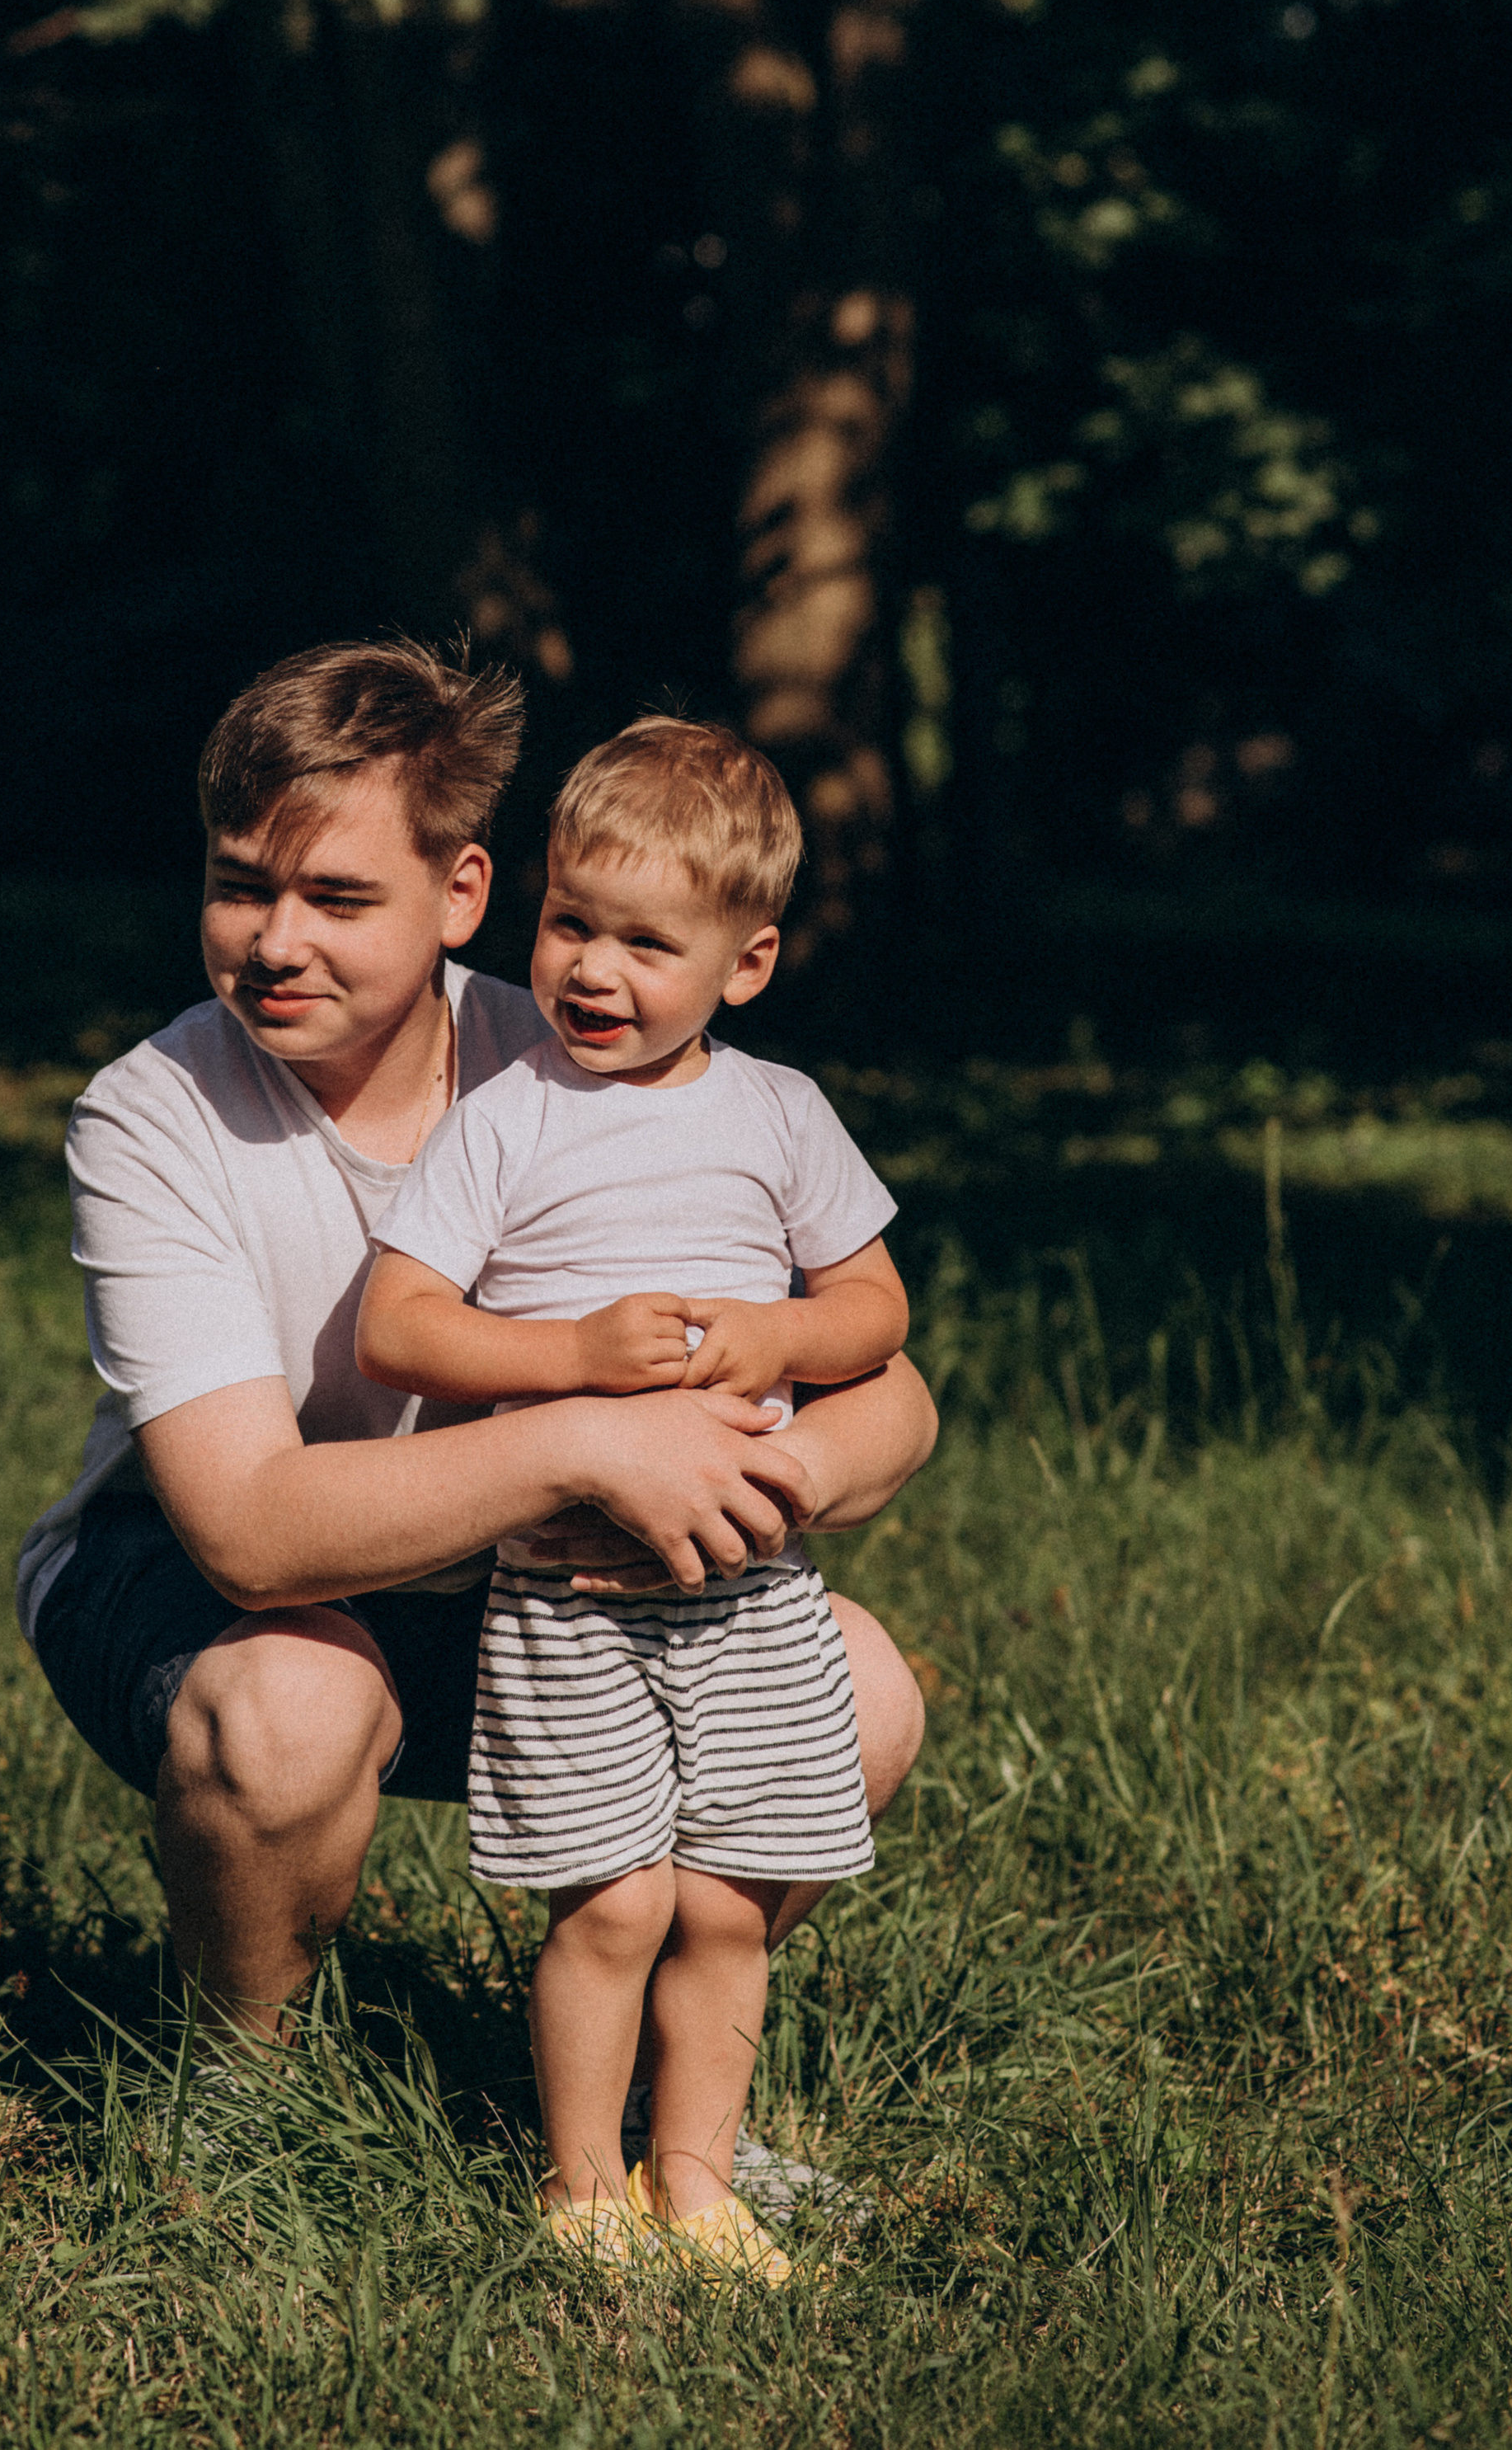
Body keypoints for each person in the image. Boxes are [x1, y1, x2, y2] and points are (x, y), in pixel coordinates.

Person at [18, 642, 934, 2156]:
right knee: (299, 1707)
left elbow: (892, 1396)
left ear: (460, 895)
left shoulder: (591, 1055)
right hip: (198, 1581)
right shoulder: (155, 1114)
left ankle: (674, 2109)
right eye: (241, 884)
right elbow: (253, 1536)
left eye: (338, 899)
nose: (273, 942)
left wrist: (751, 1487)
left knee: (862, 1689)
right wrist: (591, 1435)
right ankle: (241, 2098)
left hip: (532, 1582)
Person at [355, 717, 905, 2281]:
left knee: (732, 1903)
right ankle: (582, 2185)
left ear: (747, 964)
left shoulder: (780, 1112)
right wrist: (569, 1356)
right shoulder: (507, 1116)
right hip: (572, 1591)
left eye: (646, 944)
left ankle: (699, 2178)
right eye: (569, 925)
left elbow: (875, 1310)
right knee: (612, 1903)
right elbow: (400, 1326)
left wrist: (781, 1333)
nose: (594, 971)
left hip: (749, 1592)